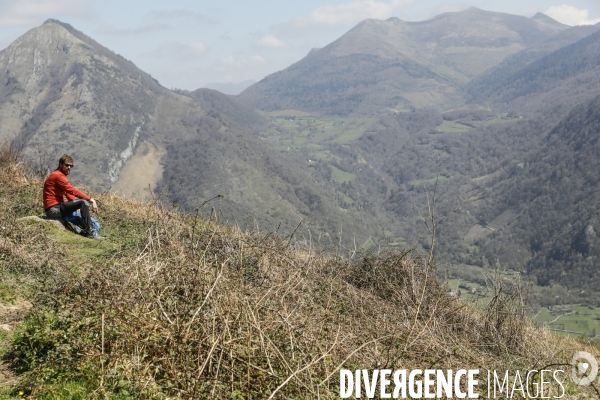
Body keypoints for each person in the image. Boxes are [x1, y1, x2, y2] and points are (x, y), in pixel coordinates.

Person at [43, 154, 104, 240]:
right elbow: (72, 191)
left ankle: (83, 230)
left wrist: (75, 204)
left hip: (58, 207)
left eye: (71, 166)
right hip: (53, 209)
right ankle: (90, 232)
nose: (69, 167)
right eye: (66, 165)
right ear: (61, 164)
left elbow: (68, 193)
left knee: (94, 223)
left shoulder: (59, 175)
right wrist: (91, 199)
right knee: (84, 202)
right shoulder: (58, 175)